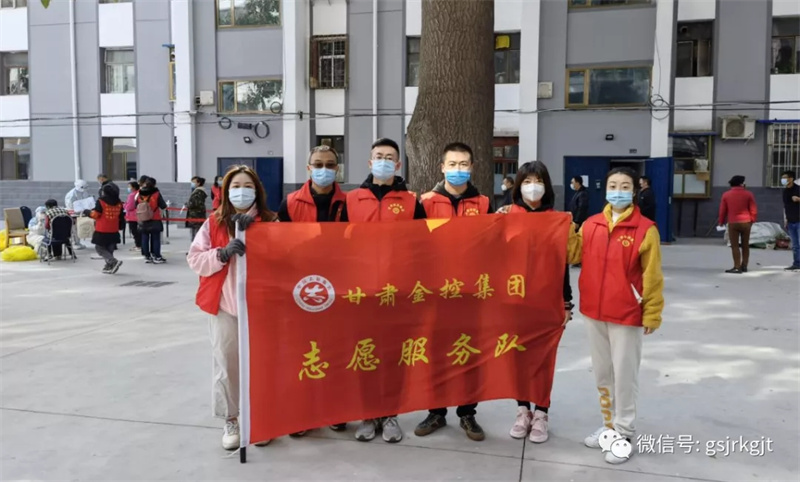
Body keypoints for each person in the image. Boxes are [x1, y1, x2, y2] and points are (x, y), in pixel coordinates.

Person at [187, 165, 279, 450]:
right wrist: (222, 253)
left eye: (247, 186)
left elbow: (285, 259)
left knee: (261, 365)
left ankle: (260, 419)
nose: (242, 191)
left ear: (257, 191)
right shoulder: (214, 222)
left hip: (260, 309)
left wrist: (259, 239)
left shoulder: (271, 221)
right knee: (227, 364)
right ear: (226, 191)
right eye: (236, 186)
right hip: (225, 306)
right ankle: (232, 418)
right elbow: (195, 259)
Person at [578, 167, 664, 465]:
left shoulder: (646, 229)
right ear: (605, 190)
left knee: (624, 375)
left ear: (634, 191)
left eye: (625, 186)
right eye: (613, 185)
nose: (618, 191)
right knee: (603, 373)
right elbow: (573, 253)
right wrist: (558, 226)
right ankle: (609, 426)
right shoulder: (590, 224)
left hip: (627, 313)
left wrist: (652, 313)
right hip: (594, 311)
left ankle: (624, 433)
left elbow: (653, 275)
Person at [345, 138, 426, 444]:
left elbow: (424, 244)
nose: (383, 161)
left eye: (389, 157)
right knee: (364, 352)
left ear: (398, 164)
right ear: (370, 163)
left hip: (398, 291)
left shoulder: (411, 202)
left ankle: (391, 413)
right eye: (378, 156)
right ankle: (368, 413)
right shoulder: (352, 199)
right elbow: (336, 244)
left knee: (393, 355)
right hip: (362, 292)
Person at [413, 142, 492, 442]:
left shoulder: (483, 203)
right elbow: (413, 246)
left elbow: (494, 243)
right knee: (436, 353)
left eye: (464, 164)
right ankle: (436, 411)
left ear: (472, 167)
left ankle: (467, 412)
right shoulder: (425, 203)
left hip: (471, 293)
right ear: (442, 167)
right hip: (435, 293)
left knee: (469, 352)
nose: (458, 169)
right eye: (453, 164)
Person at [498, 161, 577, 444]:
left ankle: (542, 412)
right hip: (514, 301)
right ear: (518, 186)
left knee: (544, 358)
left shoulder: (557, 220)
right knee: (518, 358)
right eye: (527, 181)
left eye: (538, 180)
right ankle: (523, 411)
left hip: (547, 301)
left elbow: (563, 264)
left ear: (547, 186)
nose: (533, 186)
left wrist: (566, 302)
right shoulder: (505, 216)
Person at [278, 145, 348, 223]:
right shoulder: (290, 203)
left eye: (330, 165)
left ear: (337, 169)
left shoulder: (348, 203)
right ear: (309, 168)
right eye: (318, 165)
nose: (324, 169)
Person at [718, 175, 757, 274]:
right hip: (746, 222)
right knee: (745, 245)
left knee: (735, 245)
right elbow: (753, 209)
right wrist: (752, 220)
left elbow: (723, 210)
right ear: (741, 183)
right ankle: (744, 265)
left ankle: (737, 266)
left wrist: (721, 222)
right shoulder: (748, 194)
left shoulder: (726, 195)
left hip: (733, 222)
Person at [83, 184, 124, 274]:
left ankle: (112, 261)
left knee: (99, 248)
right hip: (114, 229)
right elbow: (121, 216)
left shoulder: (101, 201)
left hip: (102, 229)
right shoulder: (119, 202)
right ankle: (109, 266)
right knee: (109, 248)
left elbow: (96, 215)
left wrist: (87, 212)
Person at [137, 177, 168, 264]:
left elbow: (136, 204)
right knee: (156, 238)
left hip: (143, 218)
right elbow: (163, 205)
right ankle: (157, 256)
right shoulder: (156, 194)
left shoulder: (140, 193)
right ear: (154, 184)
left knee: (144, 237)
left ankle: (147, 256)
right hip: (155, 218)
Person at [780, 170, 800, 271]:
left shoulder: (798, 189)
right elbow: (785, 206)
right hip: (791, 221)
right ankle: (797, 263)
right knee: (795, 245)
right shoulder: (785, 191)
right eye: (782, 178)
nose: (783, 180)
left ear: (791, 179)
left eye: (785, 178)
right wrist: (786, 219)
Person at [186, 177, 209, 241]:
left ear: (198, 183)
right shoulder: (197, 191)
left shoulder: (199, 192)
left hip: (196, 215)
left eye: (194, 182)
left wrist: (188, 204)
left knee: (196, 233)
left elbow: (195, 203)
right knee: (195, 232)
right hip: (195, 215)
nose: (192, 183)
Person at [124, 181, 142, 251]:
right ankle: (140, 244)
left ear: (134, 187)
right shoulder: (139, 193)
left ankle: (138, 245)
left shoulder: (132, 195)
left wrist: (124, 205)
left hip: (132, 216)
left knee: (134, 231)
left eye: (129, 186)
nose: (128, 188)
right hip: (139, 214)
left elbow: (129, 206)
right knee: (139, 231)